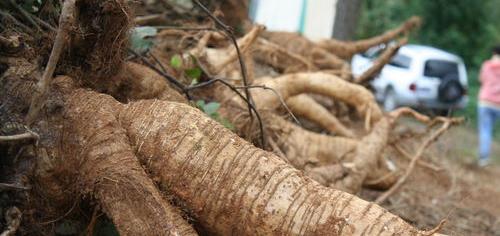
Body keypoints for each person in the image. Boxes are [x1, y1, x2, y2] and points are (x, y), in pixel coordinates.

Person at [478, 45, 500, 166]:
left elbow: (481, 79)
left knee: (485, 130)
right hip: (499, 104)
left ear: (493, 53)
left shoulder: (487, 65)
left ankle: (484, 158)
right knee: (490, 129)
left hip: (485, 101)